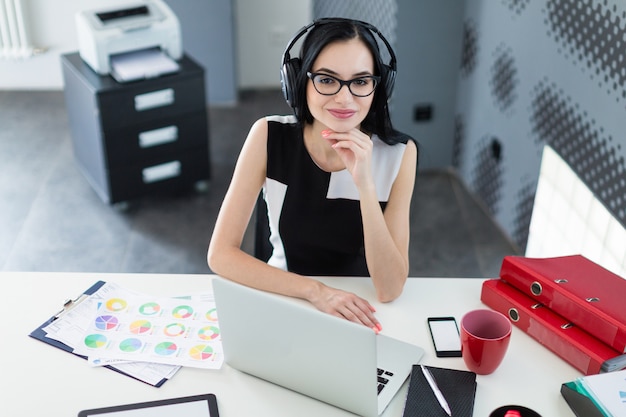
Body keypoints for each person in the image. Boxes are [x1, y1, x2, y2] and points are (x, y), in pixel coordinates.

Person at [208, 18, 418, 333]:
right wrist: (316, 292)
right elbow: (221, 255)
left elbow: (389, 289)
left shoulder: (399, 154)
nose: (345, 99)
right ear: (298, 81)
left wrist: (365, 183)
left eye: (361, 81)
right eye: (327, 79)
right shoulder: (268, 136)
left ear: (379, 87)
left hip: (358, 309)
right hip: (284, 295)